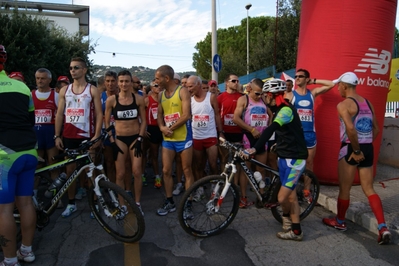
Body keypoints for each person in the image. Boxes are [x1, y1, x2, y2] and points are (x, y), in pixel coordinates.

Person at [322, 72, 391, 245]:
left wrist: (357, 150)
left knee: (344, 189)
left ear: (345, 86)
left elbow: (351, 129)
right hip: (368, 146)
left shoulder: (343, 105)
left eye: (339, 85)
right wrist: (365, 148)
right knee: (369, 188)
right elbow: (375, 128)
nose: (338, 88)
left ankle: (339, 221)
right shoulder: (367, 103)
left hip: (351, 148)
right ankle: (382, 227)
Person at [243, 78, 308, 241]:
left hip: (296, 160)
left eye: (265, 95)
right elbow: (286, 133)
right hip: (284, 157)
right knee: (290, 196)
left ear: (271, 96)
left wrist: (254, 148)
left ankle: (296, 231)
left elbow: (270, 129)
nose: (264, 98)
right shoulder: (278, 109)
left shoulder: (285, 110)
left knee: (282, 198)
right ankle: (290, 226)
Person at [0, 44, 38, 266]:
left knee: (4, 209)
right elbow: (30, 120)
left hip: (5, 156)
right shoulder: (22, 87)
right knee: (25, 203)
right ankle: (27, 250)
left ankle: (10, 259)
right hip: (28, 151)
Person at [54, 57, 103, 218]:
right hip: (69, 136)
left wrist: (96, 136)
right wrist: (57, 135)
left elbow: (99, 114)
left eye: (76, 67)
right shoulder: (64, 90)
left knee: (91, 170)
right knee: (70, 172)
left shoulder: (92, 90)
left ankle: (94, 204)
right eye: (70, 68)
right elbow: (60, 114)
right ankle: (71, 203)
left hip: (87, 137)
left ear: (84, 70)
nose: (72, 70)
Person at [286, 69, 334, 200]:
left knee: (309, 163)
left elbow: (331, 84)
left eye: (300, 77)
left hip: (310, 135)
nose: (297, 78)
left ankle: (307, 191)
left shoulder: (312, 94)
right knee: (295, 164)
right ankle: (292, 191)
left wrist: (314, 81)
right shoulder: (291, 95)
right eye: (296, 76)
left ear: (307, 79)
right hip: (296, 135)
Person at [104, 70, 146, 215]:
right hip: (120, 140)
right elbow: (106, 122)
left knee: (136, 171)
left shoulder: (138, 99)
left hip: (135, 138)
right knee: (120, 174)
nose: (124, 84)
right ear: (117, 82)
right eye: (121, 81)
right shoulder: (112, 100)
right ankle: (122, 205)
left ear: (130, 82)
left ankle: (137, 203)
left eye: (127, 81)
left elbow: (144, 120)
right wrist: (111, 139)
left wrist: (140, 138)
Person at [155, 65, 194, 217]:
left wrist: (169, 127)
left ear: (166, 78)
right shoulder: (161, 95)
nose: (156, 81)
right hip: (168, 139)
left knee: (186, 170)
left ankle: (188, 203)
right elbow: (159, 114)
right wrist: (161, 127)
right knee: (166, 170)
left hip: (183, 138)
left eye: (158, 78)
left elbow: (186, 115)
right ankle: (169, 200)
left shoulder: (182, 91)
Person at [233, 78, 272, 204]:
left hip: (261, 139)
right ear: (250, 89)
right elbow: (236, 118)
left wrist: (267, 129)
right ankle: (243, 197)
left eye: (262, 94)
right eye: (257, 93)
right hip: (248, 138)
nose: (259, 96)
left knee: (261, 169)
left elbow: (270, 115)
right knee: (246, 169)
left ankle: (261, 196)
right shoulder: (244, 99)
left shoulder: (263, 100)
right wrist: (251, 129)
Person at [187, 75, 222, 201]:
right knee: (198, 166)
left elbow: (217, 115)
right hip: (197, 137)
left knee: (213, 164)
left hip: (210, 136)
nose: (188, 88)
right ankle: (200, 189)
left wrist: (221, 132)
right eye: (187, 86)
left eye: (190, 86)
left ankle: (215, 189)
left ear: (198, 84)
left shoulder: (211, 97)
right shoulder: (189, 100)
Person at [217, 74, 245, 204]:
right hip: (225, 133)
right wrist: (220, 132)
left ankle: (235, 186)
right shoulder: (220, 97)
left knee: (237, 161)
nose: (236, 82)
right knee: (224, 159)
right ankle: (224, 182)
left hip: (238, 133)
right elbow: (216, 114)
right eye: (233, 81)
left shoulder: (242, 97)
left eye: (237, 81)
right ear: (226, 83)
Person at [32, 68, 59, 182]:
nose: (40, 81)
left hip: (50, 133)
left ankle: (56, 195)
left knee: (53, 164)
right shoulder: (30, 95)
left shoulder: (56, 95)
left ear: (49, 80)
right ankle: (35, 194)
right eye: (38, 78)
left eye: (43, 78)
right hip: (36, 134)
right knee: (37, 165)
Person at [144, 81, 163, 188]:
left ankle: (164, 174)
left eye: (159, 85)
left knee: (165, 155)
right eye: (156, 86)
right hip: (152, 128)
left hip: (163, 128)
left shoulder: (164, 99)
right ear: (151, 88)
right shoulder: (147, 100)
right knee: (154, 154)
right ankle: (157, 176)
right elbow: (140, 115)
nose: (158, 87)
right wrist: (142, 128)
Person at [100, 71, 118, 184]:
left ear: (116, 82)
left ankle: (124, 189)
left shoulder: (123, 95)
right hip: (105, 133)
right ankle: (112, 188)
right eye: (107, 81)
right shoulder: (100, 96)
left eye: (112, 81)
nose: (110, 84)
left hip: (121, 133)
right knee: (109, 162)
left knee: (123, 163)